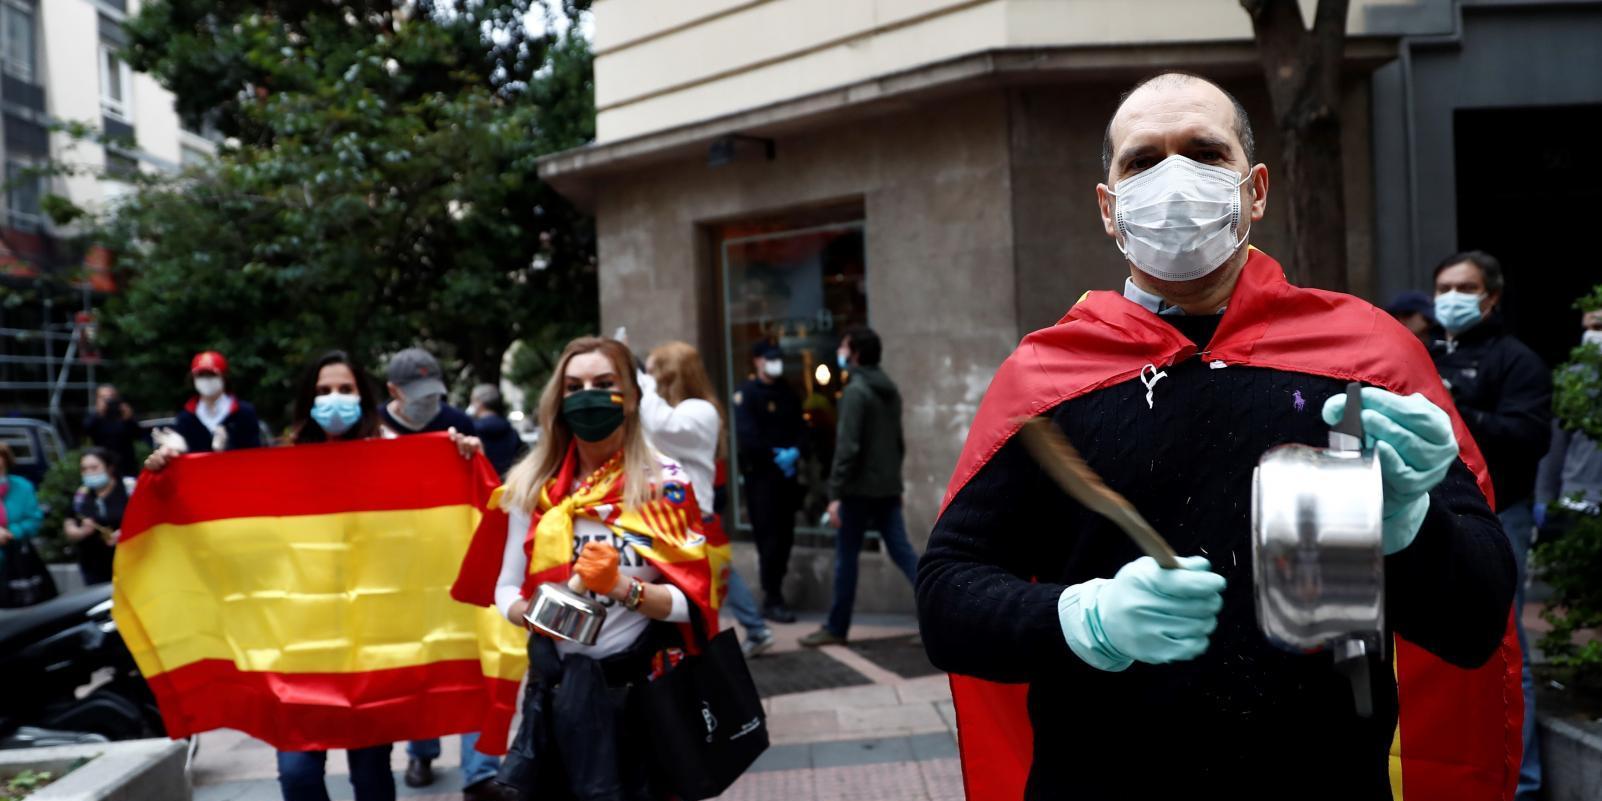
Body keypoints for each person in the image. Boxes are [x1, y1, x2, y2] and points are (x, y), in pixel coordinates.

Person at [916, 72, 1518, 799]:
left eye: (1204, 152)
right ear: (1109, 208)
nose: (1174, 179)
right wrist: (1084, 618)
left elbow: (1476, 620)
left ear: (1255, 189)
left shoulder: (1366, 359)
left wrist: (1408, 527)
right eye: (1142, 160)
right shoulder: (1049, 379)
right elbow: (946, 598)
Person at [145, 350, 490, 801]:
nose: (334, 399)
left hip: (371, 646)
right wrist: (175, 471)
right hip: (299, 646)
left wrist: (462, 459)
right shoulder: (283, 461)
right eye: (324, 390)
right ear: (308, 399)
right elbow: (239, 526)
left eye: (345, 389)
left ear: (363, 396)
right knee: (298, 775)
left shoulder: (395, 454)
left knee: (370, 775)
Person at [474, 336, 721, 800]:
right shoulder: (532, 488)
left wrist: (624, 588)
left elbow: (695, 603)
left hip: (644, 696)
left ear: (630, 399)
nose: (588, 394)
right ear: (559, 400)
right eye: (575, 386)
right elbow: (505, 586)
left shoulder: (664, 484)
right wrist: (531, 614)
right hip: (560, 699)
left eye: (604, 383)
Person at [1429, 249, 1552, 801]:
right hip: (1434, 521)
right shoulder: (1424, 353)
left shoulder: (1517, 361)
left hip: (1502, 515)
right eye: (1443, 288)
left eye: (1464, 288)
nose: (1450, 299)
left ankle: (1521, 784)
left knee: (1506, 645)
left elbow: (1529, 437)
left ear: (1491, 297)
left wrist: (1457, 411)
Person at [373, 348, 503, 797]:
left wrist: (473, 457)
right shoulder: (371, 429)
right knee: (417, 660)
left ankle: (481, 770)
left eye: (433, 394)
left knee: (469, 656)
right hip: (393, 570)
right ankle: (421, 751)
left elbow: (480, 488)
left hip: (451, 561)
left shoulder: (456, 423)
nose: (427, 404)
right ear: (393, 392)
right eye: (416, 395)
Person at [640, 340, 776, 657]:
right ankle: (752, 630)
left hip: (694, 519)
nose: (647, 379)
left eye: (651, 373)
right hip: (668, 519)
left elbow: (664, 426)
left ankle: (736, 641)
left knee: (704, 595)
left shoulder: (699, 410)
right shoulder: (662, 408)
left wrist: (642, 387)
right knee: (712, 583)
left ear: (669, 374)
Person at [800, 328, 918, 647]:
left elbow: (847, 447)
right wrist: (895, 481)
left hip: (857, 491)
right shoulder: (888, 389)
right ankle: (940, 614)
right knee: (903, 552)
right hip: (886, 489)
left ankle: (837, 627)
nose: (840, 350)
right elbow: (898, 442)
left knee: (847, 559)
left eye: (843, 345)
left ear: (856, 353)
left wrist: (835, 493)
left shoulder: (856, 392)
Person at [732, 341, 803, 623]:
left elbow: (801, 427)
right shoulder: (747, 393)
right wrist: (775, 456)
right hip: (761, 479)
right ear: (757, 361)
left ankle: (776, 591)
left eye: (778, 359)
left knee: (785, 536)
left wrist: (796, 451)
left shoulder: (787, 391)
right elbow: (748, 438)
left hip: (786, 478)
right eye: (769, 359)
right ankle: (771, 596)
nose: (775, 363)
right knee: (769, 538)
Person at [1535, 310, 1602, 560]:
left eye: (1600, 327)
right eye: (1591, 328)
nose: (1594, 335)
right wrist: (1545, 497)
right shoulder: (1573, 379)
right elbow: (1556, 444)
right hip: (1579, 498)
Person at [62, 447, 136, 585]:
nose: (89, 473)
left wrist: (127, 533)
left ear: (109, 468)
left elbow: (148, 517)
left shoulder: (130, 488)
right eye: (84, 469)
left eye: (94, 467)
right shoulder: (81, 495)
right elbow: (70, 521)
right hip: (94, 567)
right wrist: (80, 532)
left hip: (131, 561)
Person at [167, 350, 263, 454]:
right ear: (193, 379)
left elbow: (254, 455)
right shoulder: (185, 418)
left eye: (211, 375)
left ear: (224, 377)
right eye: (200, 375)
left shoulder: (244, 412)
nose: (206, 380)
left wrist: (228, 446)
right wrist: (174, 451)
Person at [379, 348, 477, 439]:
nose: (426, 399)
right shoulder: (374, 422)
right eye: (416, 392)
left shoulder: (459, 422)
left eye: (432, 391)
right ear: (393, 390)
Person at [0, 442, 44, 585]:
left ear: (5, 459)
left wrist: (11, 532)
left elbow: (34, 519)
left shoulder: (22, 486)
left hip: (16, 559)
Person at [82, 384, 141, 475]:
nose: (108, 400)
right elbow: (85, 432)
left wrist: (128, 419)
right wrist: (99, 414)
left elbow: (138, 435)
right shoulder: (94, 417)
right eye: (103, 397)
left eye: (111, 397)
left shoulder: (123, 415)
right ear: (97, 399)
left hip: (126, 465)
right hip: (103, 464)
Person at [469, 384, 523, 478]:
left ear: (479, 403)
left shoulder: (472, 432)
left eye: (472, 401)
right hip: (508, 483)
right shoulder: (511, 431)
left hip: (485, 484)